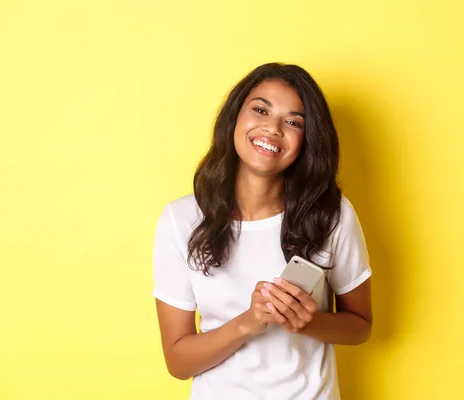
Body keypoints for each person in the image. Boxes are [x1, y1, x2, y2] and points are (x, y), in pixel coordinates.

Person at [152, 62, 372, 399]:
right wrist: (248, 322)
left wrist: (307, 322)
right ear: (235, 117)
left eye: (293, 122)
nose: (272, 128)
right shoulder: (180, 219)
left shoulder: (331, 214)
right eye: (260, 109)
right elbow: (179, 363)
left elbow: (360, 326)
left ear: (306, 140)